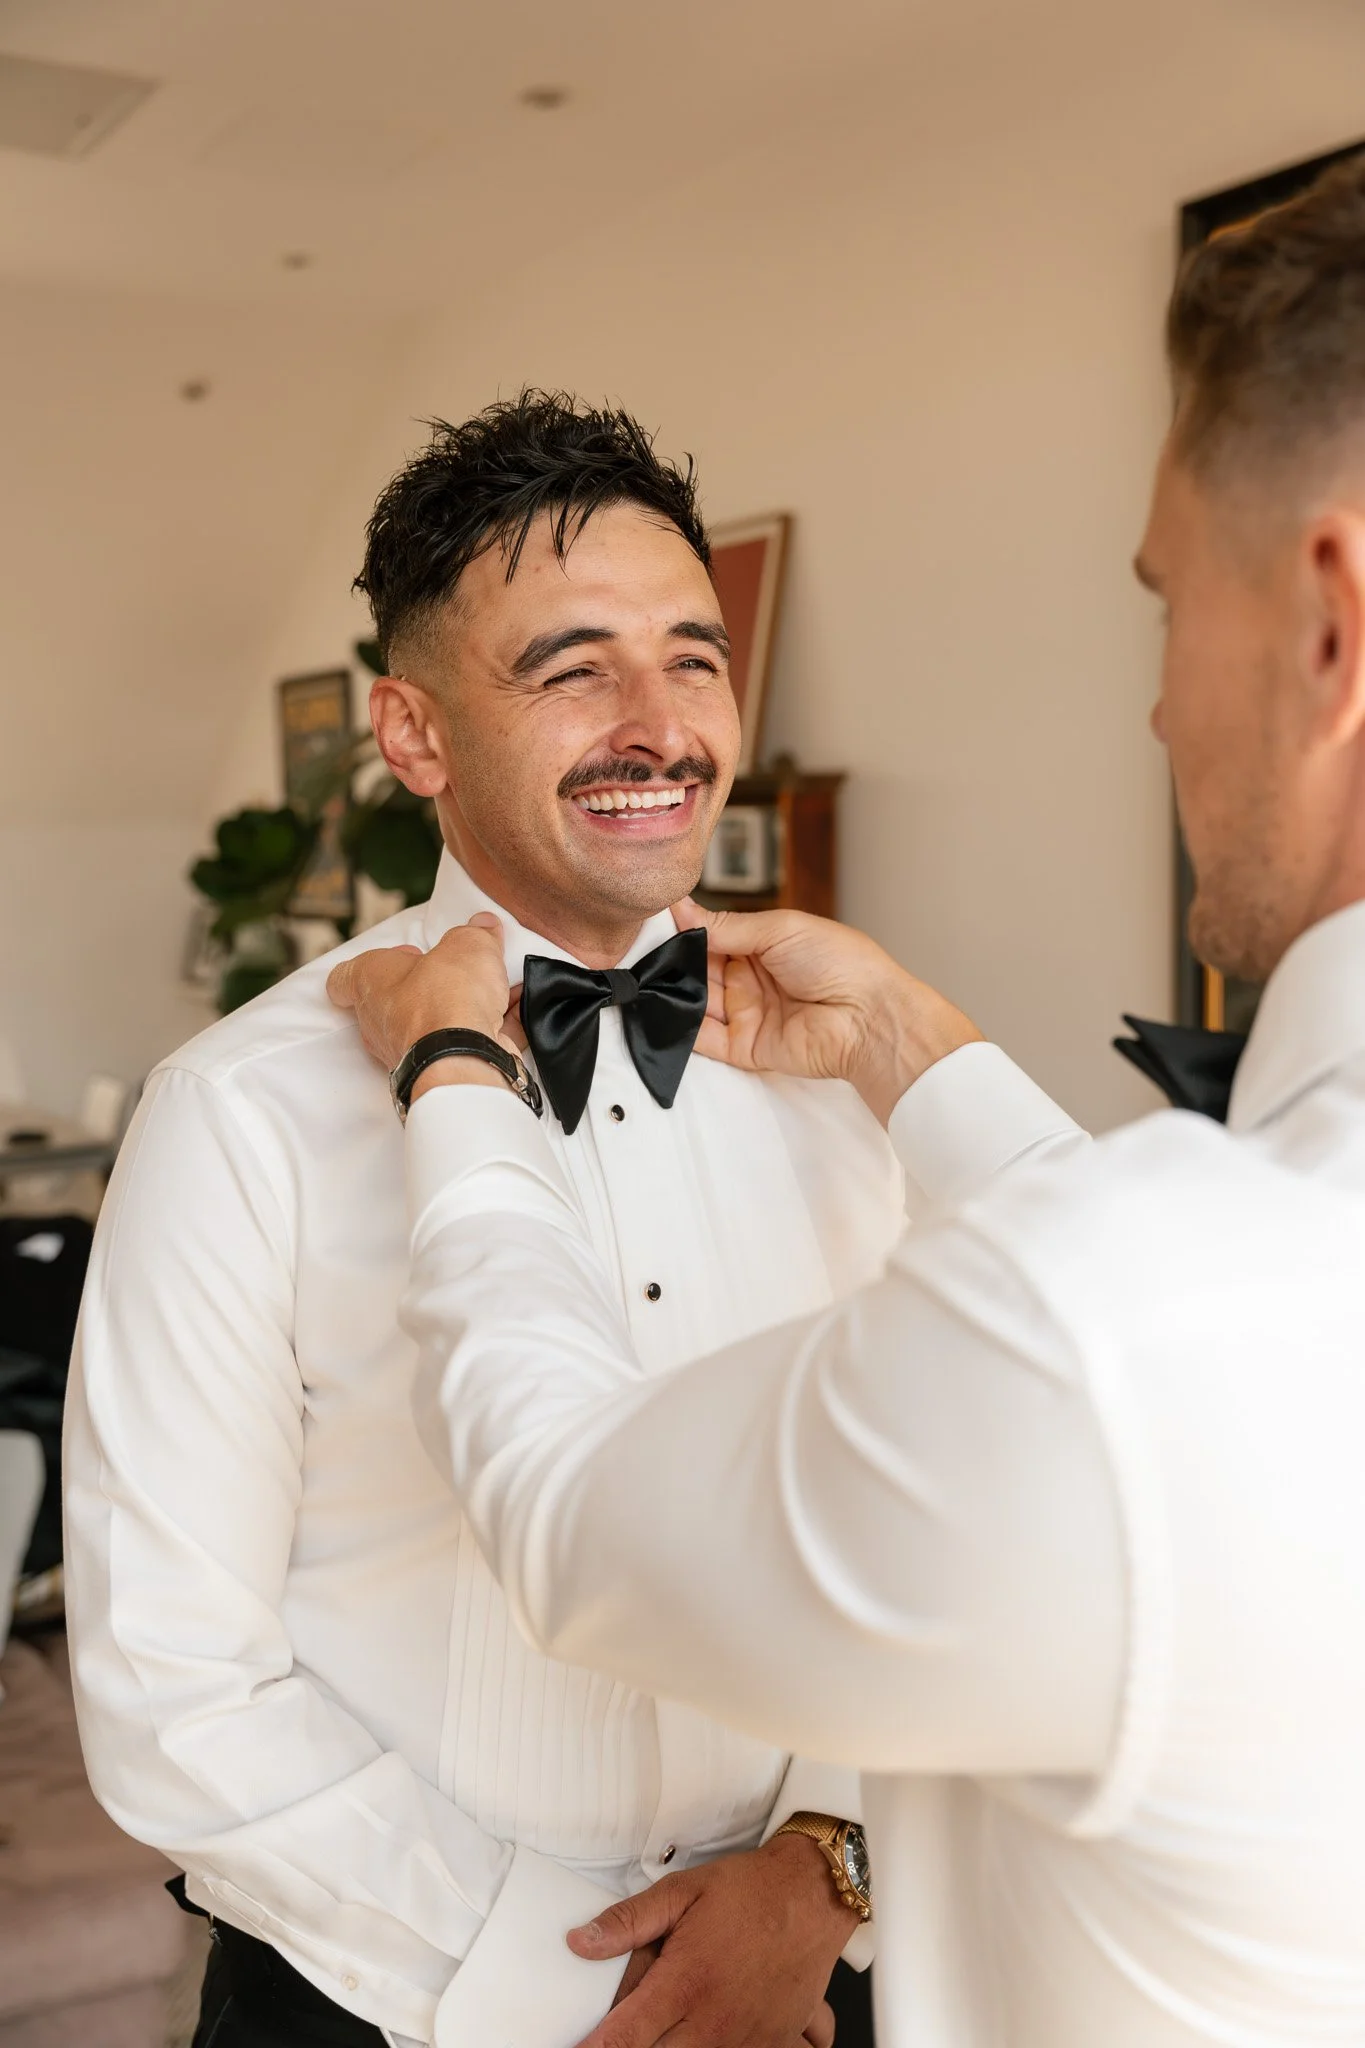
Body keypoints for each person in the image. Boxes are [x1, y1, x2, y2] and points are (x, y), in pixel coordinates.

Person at [327, 158, 1365, 2045]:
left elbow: (570, 1515)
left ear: (1329, 623)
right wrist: (913, 1056)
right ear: (415, 730)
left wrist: (459, 1084)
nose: (1153, 711)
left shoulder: (1138, 1322)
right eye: (572, 670)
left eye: (1165, 608)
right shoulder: (1193, 1287)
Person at [64, 395, 907, 2048]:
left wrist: (824, 1868)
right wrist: (573, 1980)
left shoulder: (848, 1065)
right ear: (417, 735)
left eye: (695, 655)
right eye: (571, 667)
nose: (659, 724)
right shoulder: (238, 1113)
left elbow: (937, 1521)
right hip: (392, 2003)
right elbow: (176, 1685)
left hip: (811, 1986)